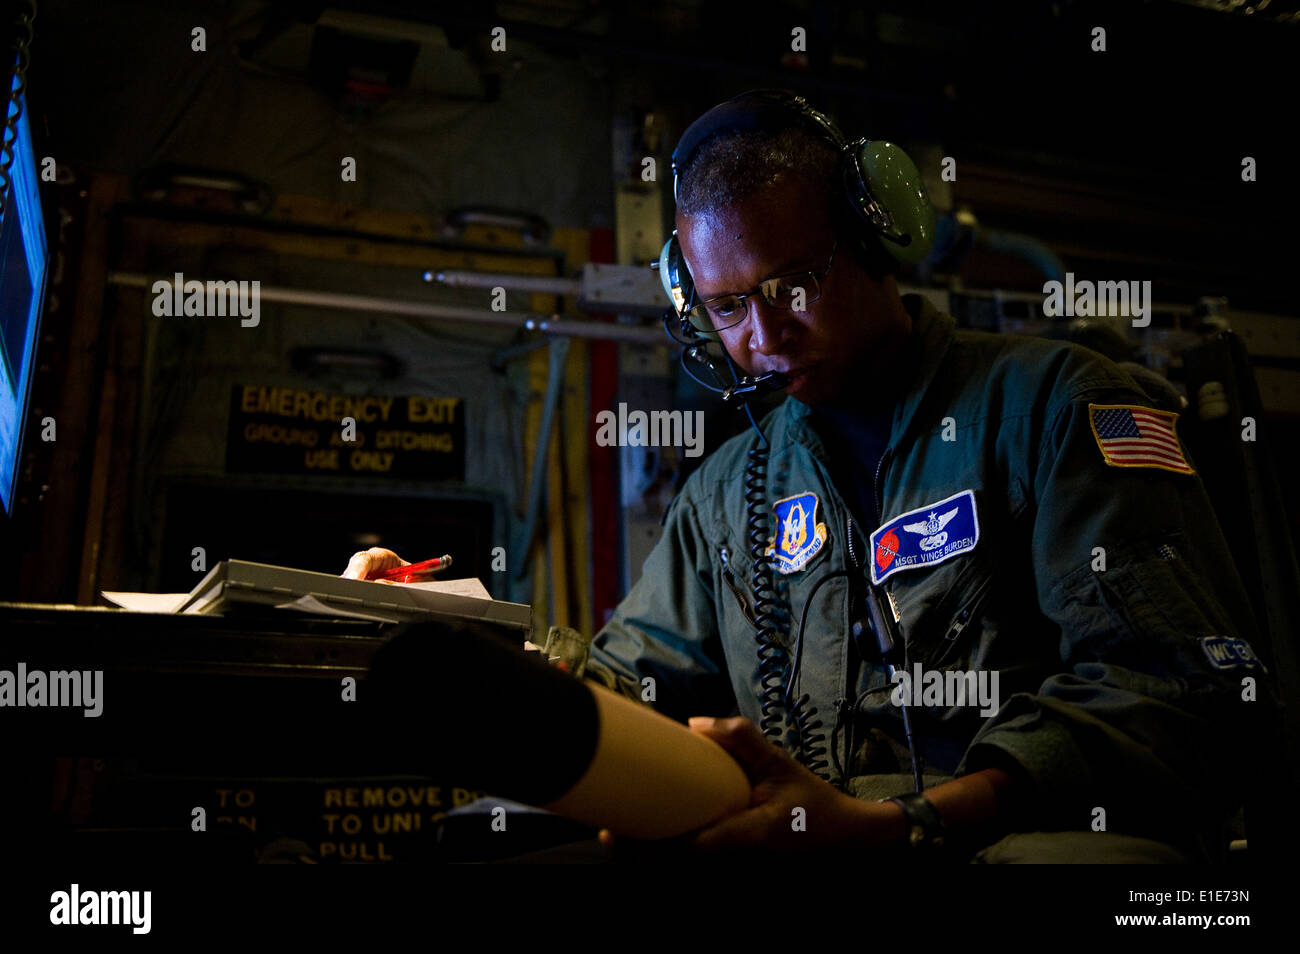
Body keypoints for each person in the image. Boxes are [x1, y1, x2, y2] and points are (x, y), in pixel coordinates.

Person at [345, 91, 1271, 862]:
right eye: (727, 307)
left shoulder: (1056, 406)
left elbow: (1168, 686)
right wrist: (453, 636)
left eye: (792, 287)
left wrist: (904, 826)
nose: (761, 335)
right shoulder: (723, 496)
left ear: (875, 238)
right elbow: (633, 683)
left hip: (1009, 832)